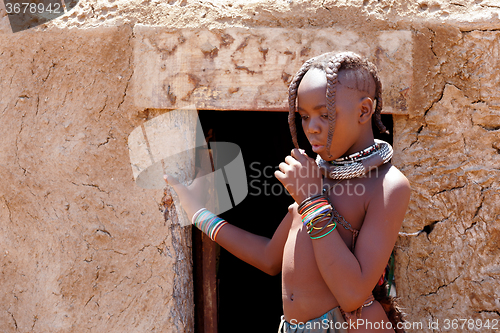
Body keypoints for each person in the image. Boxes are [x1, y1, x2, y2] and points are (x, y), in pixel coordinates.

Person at [164, 51, 411, 332]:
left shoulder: (387, 185)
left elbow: (352, 293)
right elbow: (270, 258)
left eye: (325, 114)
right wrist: (200, 215)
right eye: (304, 117)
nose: (312, 128)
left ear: (364, 111)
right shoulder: (316, 178)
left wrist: (311, 200)